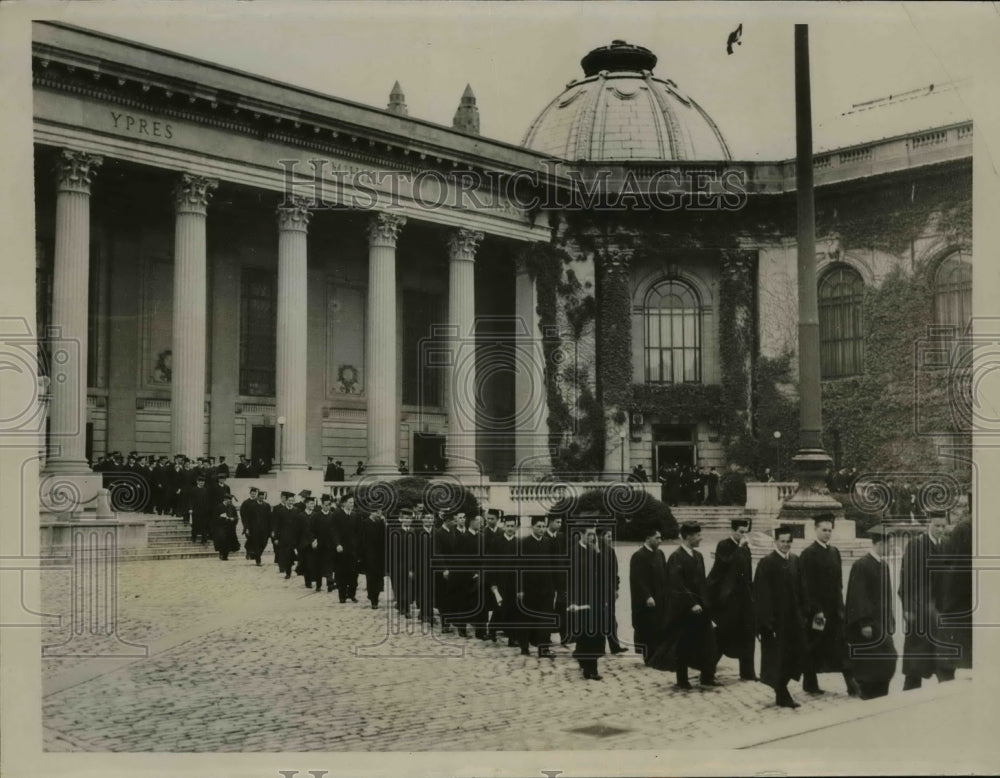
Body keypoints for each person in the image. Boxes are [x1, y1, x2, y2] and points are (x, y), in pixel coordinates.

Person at [650, 522, 719, 689]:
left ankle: (707, 676)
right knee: (684, 645)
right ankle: (682, 679)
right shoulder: (676, 557)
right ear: (689, 537)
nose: (701, 538)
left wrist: (706, 604)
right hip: (685, 610)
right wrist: (692, 604)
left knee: (708, 643)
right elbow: (677, 585)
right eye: (698, 535)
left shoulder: (698, 556)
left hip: (702, 609)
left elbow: (702, 584)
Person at [799, 514, 861, 697]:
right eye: (823, 530)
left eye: (829, 530)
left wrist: (840, 607)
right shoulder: (808, 554)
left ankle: (851, 683)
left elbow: (838, 583)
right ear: (815, 530)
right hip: (817, 613)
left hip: (834, 612)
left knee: (841, 646)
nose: (827, 533)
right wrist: (816, 610)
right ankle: (809, 682)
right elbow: (806, 586)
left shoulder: (834, 552)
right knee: (814, 645)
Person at [899, 511, 956, 689]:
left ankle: (945, 686)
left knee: (943, 652)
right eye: (936, 525)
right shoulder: (916, 545)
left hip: (941, 608)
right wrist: (908, 608)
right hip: (919, 608)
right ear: (928, 525)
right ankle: (910, 689)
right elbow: (906, 577)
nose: (940, 529)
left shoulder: (947, 545)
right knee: (917, 653)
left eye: (943, 526)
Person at [754, 525, 808, 708]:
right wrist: (767, 623)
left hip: (794, 619)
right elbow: (762, 595)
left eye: (788, 542)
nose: (786, 545)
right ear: (775, 542)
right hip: (777, 622)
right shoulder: (767, 563)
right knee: (778, 657)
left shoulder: (795, 560)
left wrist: (804, 613)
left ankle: (782, 687)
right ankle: (781, 692)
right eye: (782, 541)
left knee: (794, 655)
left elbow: (802, 590)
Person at [845, 523, 898, 699]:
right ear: (880, 543)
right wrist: (864, 623)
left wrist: (890, 619)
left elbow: (887, 595)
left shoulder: (883, 565)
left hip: (882, 623)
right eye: (889, 544)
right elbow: (858, 596)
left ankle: (881, 691)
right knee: (871, 660)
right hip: (869, 625)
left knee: (888, 657)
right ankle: (867, 693)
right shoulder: (862, 565)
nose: (892, 547)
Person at [706, 517, 757, 680]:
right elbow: (725, 565)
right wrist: (739, 549)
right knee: (724, 634)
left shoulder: (745, 548)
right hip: (728, 599)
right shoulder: (724, 545)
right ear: (733, 531)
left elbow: (748, 572)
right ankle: (707, 671)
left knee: (748, 633)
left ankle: (748, 672)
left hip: (744, 597)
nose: (743, 535)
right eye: (741, 532)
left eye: (745, 532)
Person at [567, 526, 610, 680]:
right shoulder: (573, 552)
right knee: (586, 634)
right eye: (590, 534)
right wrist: (572, 601)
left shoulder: (594, 551)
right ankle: (590, 669)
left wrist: (598, 551)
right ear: (581, 535)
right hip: (581, 600)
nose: (593, 537)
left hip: (595, 598)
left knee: (596, 634)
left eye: (594, 535)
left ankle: (587, 662)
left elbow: (604, 570)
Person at [517, 515, 557, 658]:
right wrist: (520, 589)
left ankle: (543, 648)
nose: (541, 529)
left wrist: (554, 587)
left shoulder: (548, 542)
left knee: (545, 618)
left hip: (546, 588)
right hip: (529, 588)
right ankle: (524, 645)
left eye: (543, 526)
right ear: (532, 527)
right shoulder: (524, 543)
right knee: (527, 617)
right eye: (538, 526)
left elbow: (553, 565)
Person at [629, 523, 669, 663]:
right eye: (657, 538)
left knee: (659, 625)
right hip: (646, 600)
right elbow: (638, 579)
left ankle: (658, 654)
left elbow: (665, 574)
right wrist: (647, 596)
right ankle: (648, 655)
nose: (660, 540)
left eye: (661, 538)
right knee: (647, 626)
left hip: (660, 596)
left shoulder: (660, 554)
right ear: (648, 538)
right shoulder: (639, 556)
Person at [485, 515, 521, 647]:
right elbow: (490, 564)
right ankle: (492, 629)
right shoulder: (496, 542)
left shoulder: (518, 543)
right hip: (500, 580)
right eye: (508, 526)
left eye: (513, 526)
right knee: (499, 607)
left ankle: (513, 638)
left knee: (513, 609)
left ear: (516, 528)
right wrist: (493, 584)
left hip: (514, 581)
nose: (510, 528)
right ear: (504, 527)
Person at [600, 527, 627, 654]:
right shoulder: (596, 551)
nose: (610, 539)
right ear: (601, 536)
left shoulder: (611, 552)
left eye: (611, 536)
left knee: (611, 620)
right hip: (599, 592)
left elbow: (615, 572)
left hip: (610, 591)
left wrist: (616, 588)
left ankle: (614, 646)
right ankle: (599, 647)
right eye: (608, 536)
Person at [333, 495, 360, 603]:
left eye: (353, 502)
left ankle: (352, 594)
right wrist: (337, 544)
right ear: (343, 503)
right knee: (342, 573)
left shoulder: (355, 515)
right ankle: (342, 595)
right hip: (341, 549)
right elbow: (333, 531)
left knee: (354, 573)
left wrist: (358, 546)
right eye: (349, 502)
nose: (351, 504)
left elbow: (359, 532)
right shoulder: (337, 514)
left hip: (353, 550)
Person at [359, 508, 387, 608]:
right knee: (371, 577)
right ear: (372, 512)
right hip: (369, 555)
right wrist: (361, 555)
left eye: (380, 512)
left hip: (379, 555)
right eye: (377, 512)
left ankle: (376, 596)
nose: (379, 514)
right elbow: (362, 540)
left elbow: (385, 538)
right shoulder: (365, 523)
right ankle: (372, 597)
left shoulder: (380, 523)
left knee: (379, 577)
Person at [272, 491, 299, 579]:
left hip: (294, 537)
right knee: (286, 555)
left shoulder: (296, 510)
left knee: (291, 555)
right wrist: (276, 537)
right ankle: (288, 571)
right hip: (283, 537)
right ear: (286, 501)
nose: (291, 502)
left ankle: (289, 569)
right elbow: (276, 525)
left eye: (292, 501)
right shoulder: (281, 511)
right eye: (290, 500)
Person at [296, 495, 321, 589]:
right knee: (306, 562)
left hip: (314, 543)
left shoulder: (316, 515)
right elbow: (297, 531)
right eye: (311, 503)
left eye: (313, 503)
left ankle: (313, 579)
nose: (313, 505)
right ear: (306, 504)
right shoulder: (300, 516)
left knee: (313, 562)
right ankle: (308, 580)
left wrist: (316, 540)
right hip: (304, 544)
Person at [243, 488, 272, 566]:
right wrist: (247, 528)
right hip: (254, 529)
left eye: (263, 498)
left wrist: (270, 529)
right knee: (256, 544)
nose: (262, 499)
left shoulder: (267, 506)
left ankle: (257, 555)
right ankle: (258, 560)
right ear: (258, 497)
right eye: (260, 497)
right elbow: (247, 518)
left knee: (264, 543)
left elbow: (270, 518)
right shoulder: (252, 506)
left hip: (264, 529)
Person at [212, 494, 240, 561]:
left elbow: (236, 517)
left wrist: (233, 519)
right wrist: (223, 518)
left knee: (229, 541)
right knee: (222, 540)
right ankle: (221, 553)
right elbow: (214, 518)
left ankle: (225, 555)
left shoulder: (232, 507)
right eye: (228, 500)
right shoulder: (219, 507)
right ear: (225, 499)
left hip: (230, 527)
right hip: (221, 527)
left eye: (230, 500)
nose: (229, 502)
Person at [238, 487, 260, 560]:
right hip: (248, 525)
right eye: (252, 493)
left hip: (257, 525)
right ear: (250, 493)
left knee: (256, 540)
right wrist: (246, 525)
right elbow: (242, 514)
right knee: (249, 539)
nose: (253, 495)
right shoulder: (246, 502)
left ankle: (253, 554)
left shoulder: (258, 501)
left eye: (255, 493)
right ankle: (248, 552)